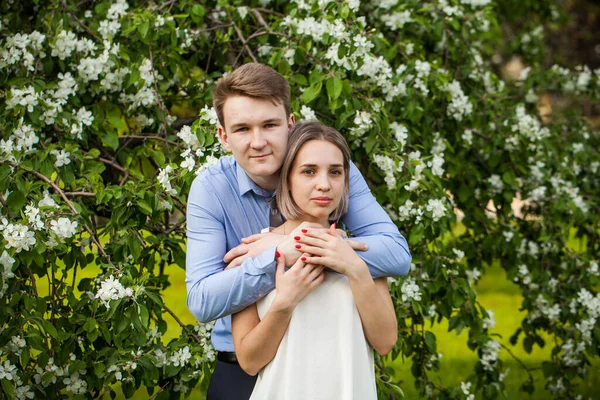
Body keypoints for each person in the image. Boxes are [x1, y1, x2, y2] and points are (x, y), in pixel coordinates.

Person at [185, 63, 411, 399]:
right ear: (223, 136)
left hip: (333, 364)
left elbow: (395, 254)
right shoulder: (211, 189)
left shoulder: (329, 171)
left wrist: (292, 244)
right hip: (245, 364)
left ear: (290, 125)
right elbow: (202, 301)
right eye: (243, 129)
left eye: (270, 125)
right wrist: (278, 256)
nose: (258, 142)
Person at [232, 121, 397, 399]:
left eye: (335, 172)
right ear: (287, 179)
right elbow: (249, 362)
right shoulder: (256, 252)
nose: (324, 185)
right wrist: (284, 303)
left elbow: (385, 343)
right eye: (309, 171)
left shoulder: (363, 252)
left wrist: (354, 268)